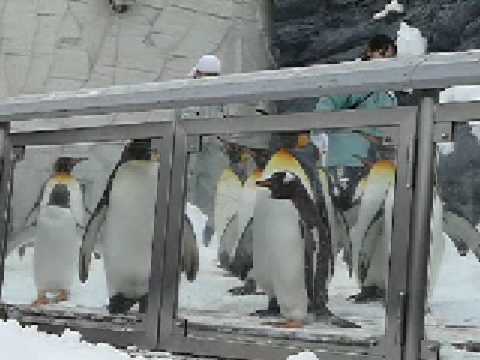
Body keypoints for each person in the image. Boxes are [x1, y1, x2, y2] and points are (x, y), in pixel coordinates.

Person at [314, 34, 398, 213]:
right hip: (345, 158)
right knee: (342, 209)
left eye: (390, 57)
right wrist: (320, 135)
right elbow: (327, 105)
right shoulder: (354, 78)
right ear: (369, 52)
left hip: (373, 163)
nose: (385, 61)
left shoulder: (387, 92)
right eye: (382, 53)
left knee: (365, 213)